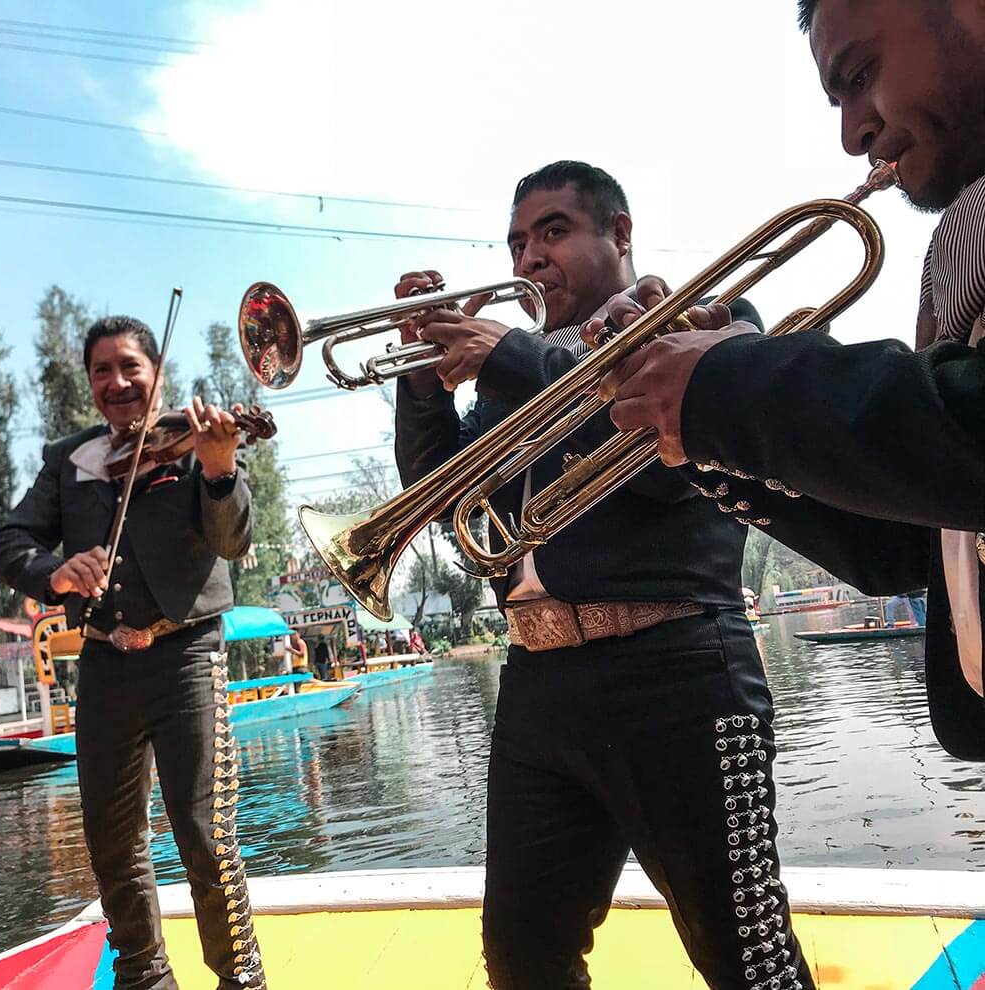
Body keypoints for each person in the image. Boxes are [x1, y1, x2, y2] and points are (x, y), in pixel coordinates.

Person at [394, 161, 814, 988]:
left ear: (619, 233)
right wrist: (420, 373)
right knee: (522, 962)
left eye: (553, 231)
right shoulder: (509, 378)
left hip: (679, 674)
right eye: (517, 242)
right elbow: (437, 496)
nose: (529, 257)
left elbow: (666, 471)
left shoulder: (703, 320)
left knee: (749, 962)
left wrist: (511, 358)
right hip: (536, 684)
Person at [592, 0, 985, 759]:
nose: (852, 134)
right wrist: (694, 421)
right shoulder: (956, 259)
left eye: (860, 74)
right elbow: (906, 544)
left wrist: (731, 385)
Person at [0, 316, 266, 990]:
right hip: (103, 663)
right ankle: (145, 977)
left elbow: (232, 542)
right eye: (101, 370)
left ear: (157, 373)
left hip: (186, 656)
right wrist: (55, 573)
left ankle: (241, 978)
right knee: (112, 842)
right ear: (89, 382)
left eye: (130, 367)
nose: (117, 382)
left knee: (204, 832)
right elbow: (8, 543)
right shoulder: (71, 459)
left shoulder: (199, 440)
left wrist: (219, 466)